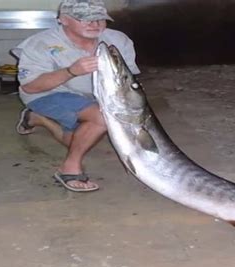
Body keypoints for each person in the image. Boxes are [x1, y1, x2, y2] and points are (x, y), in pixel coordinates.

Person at [12, 0, 141, 192]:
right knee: (102, 117)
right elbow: (31, 87)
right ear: (63, 20)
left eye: (100, 18)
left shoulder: (119, 40)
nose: (95, 24)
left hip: (94, 97)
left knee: (75, 140)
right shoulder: (40, 43)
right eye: (84, 19)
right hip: (48, 94)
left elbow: (128, 80)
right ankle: (69, 168)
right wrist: (71, 71)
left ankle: (37, 119)